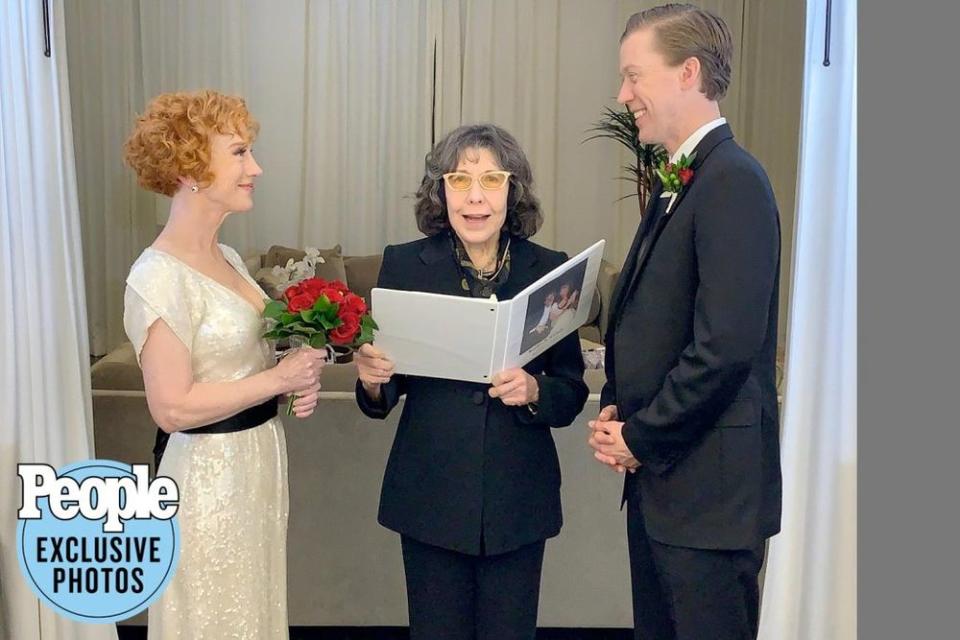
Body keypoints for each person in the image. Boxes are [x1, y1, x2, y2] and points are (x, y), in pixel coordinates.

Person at [587, 5, 782, 640]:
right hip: (668, 490)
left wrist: (644, 437)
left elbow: (724, 347)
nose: (624, 95)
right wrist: (619, 405)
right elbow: (654, 321)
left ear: (687, 72)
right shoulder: (682, 178)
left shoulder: (732, 181)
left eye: (634, 76)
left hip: (710, 499)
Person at [354, 123, 589, 640]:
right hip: (430, 494)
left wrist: (534, 391)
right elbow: (385, 392)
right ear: (440, 191)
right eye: (459, 180)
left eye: (491, 180)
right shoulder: (404, 264)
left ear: (513, 190)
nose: (475, 197)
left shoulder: (549, 270)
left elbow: (572, 389)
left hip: (518, 499)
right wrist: (372, 379)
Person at [122, 89, 327, 639]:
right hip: (207, 481)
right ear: (189, 167)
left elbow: (239, 367)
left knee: (252, 613)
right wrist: (276, 378)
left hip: (255, 465)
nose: (254, 168)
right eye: (239, 153)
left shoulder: (228, 257)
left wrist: (291, 383)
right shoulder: (157, 277)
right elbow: (171, 407)